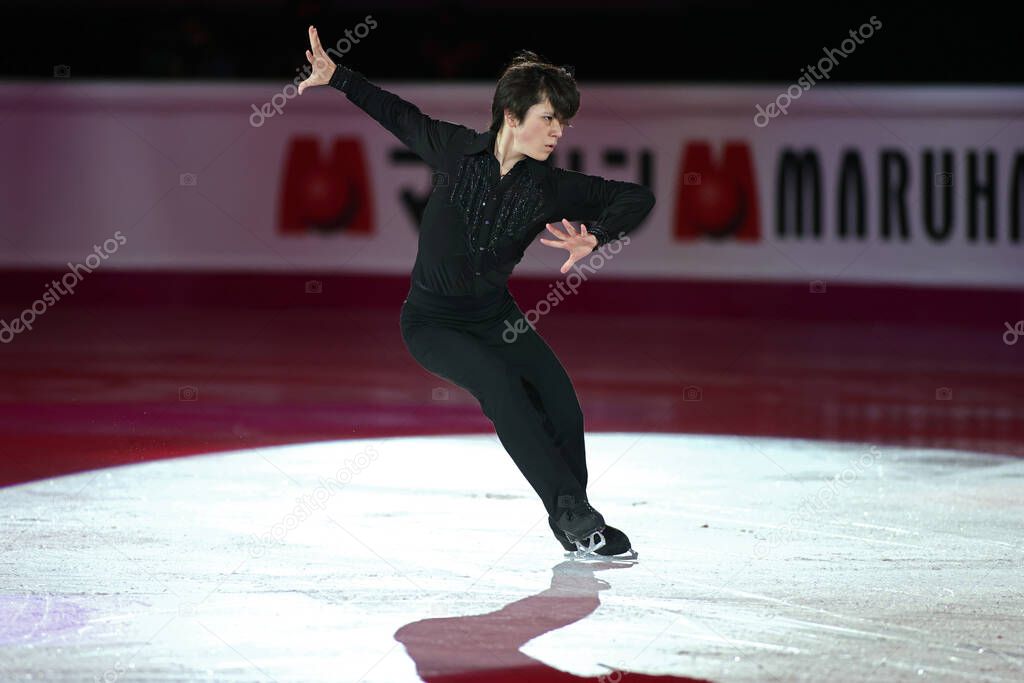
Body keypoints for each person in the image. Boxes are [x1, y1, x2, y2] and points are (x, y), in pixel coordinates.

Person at [298, 26, 655, 559]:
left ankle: (572, 518)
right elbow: (397, 114)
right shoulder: (454, 150)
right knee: (501, 386)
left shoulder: (549, 187)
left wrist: (598, 236)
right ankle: (576, 517)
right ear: (513, 117)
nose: (559, 131)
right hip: (431, 324)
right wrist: (337, 76)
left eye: (564, 121)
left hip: (496, 318)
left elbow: (636, 197)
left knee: (560, 399)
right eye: (549, 118)